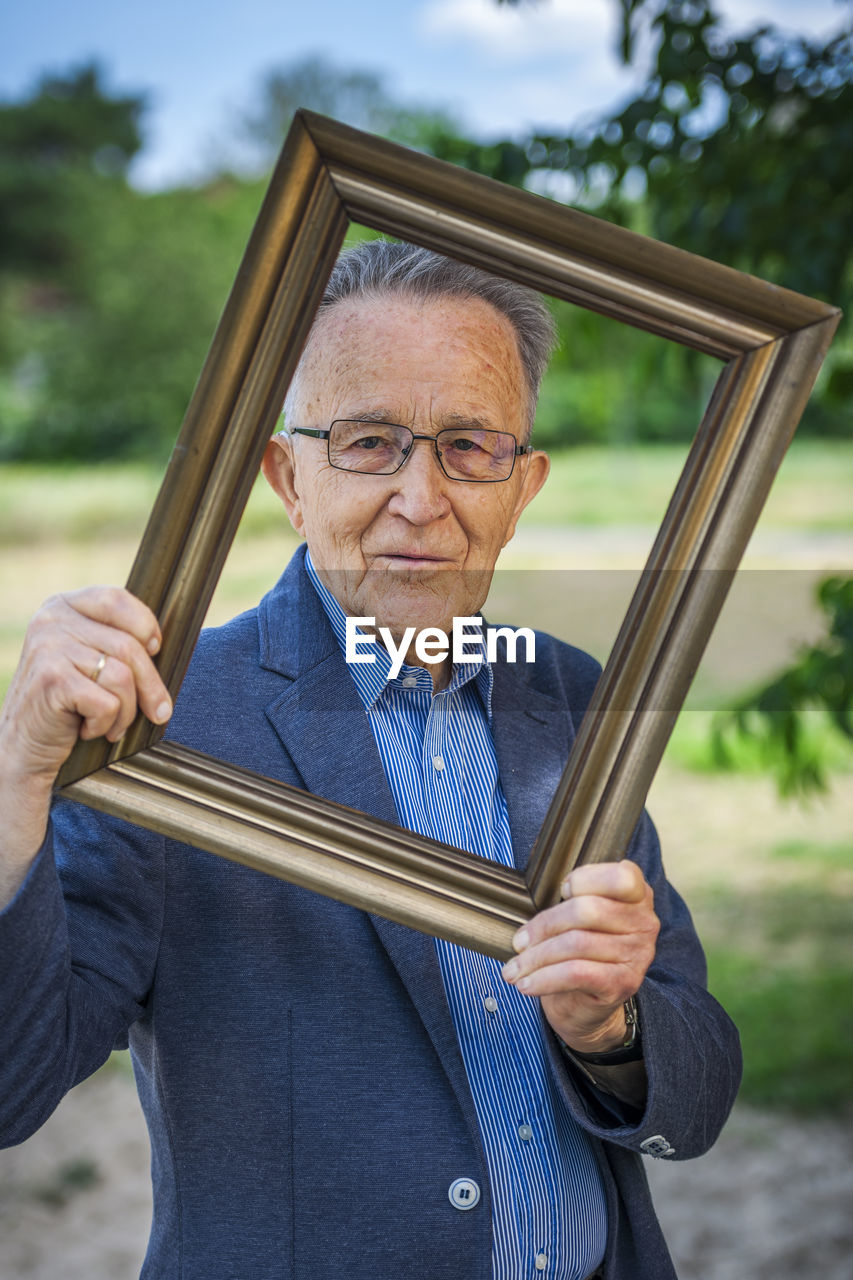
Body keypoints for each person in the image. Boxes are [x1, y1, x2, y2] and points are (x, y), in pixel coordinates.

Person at [0, 241, 741, 1280]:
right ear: (285, 476)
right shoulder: (160, 722)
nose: (421, 496)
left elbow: (697, 1099)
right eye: (368, 440)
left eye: (470, 445)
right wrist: (14, 785)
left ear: (521, 486)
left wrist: (612, 1025)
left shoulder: (569, 695)